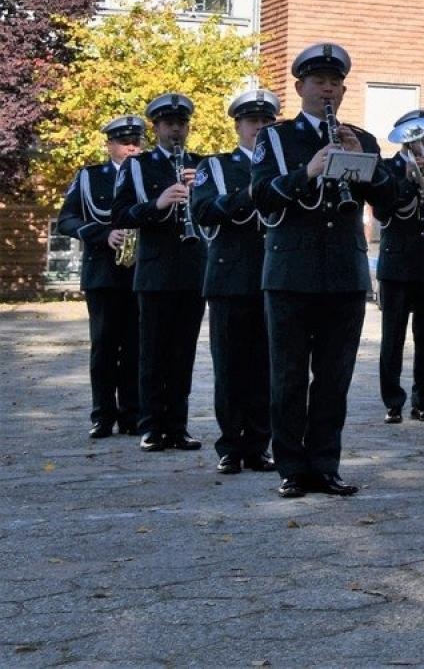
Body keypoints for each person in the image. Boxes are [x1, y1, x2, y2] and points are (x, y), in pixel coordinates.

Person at [250, 43, 397, 498]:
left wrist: (368, 168)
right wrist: (307, 172)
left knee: (334, 378)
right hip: (290, 274)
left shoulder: (362, 138)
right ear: (300, 88)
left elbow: (391, 205)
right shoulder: (275, 138)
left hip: (344, 273)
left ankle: (325, 465)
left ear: (344, 91)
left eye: (335, 83)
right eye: (318, 82)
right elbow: (261, 197)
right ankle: (292, 468)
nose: (327, 89)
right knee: (289, 376)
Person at [190, 88, 280, 476]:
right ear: (238, 126)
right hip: (230, 279)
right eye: (252, 121)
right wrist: (249, 195)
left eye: (266, 121)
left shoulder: (281, 166)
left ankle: (259, 445)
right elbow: (202, 209)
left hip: (273, 276)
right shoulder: (216, 166)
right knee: (229, 368)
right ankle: (229, 446)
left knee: (266, 368)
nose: (259, 127)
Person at [111, 93, 207, 453]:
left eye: (181, 124)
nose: (176, 130)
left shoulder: (202, 165)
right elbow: (120, 214)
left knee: (183, 352)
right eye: (168, 124)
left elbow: (217, 211)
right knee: (153, 352)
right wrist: (158, 203)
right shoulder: (138, 166)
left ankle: (178, 426)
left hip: (193, 269)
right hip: (154, 271)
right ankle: (151, 426)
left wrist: (199, 194)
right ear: (156, 128)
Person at [55, 114, 144, 438]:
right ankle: (103, 415)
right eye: (124, 142)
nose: (131, 147)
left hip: (141, 273)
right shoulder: (90, 177)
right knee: (104, 346)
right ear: (109, 145)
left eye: (136, 141)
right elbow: (66, 220)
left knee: (136, 347)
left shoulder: (150, 174)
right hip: (103, 273)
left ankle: (133, 414)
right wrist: (102, 234)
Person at [375, 109, 424, 424]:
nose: (420, 142)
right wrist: (407, 180)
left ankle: (422, 402)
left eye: (423, 135)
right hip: (396, 267)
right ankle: (393, 402)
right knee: (393, 339)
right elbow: (381, 212)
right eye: (414, 137)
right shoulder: (387, 170)